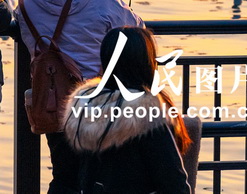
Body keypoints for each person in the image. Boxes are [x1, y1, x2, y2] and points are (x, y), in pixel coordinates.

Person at [16, 0, 144, 194]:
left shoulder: (26, 3)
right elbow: (138, 32)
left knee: (64, 177)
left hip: (53, 103)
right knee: (96, 180)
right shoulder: (102, 0)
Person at [62, 27, 191, 193]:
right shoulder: (147, 116)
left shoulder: (82, 110)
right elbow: (175, 184)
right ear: (146, 63)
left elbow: (68, 176)